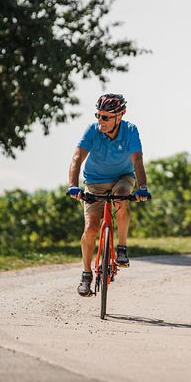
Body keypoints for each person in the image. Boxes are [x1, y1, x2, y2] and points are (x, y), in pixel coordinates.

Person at [66, 93, 150, 297]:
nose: (100, 121)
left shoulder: (130, 131)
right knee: (91, 227)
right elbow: (77, 157)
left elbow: (137, 159)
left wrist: (143, 188)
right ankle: (86, 275)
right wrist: (73, 185)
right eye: (98, 115)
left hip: (123, 177)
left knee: (122, 197)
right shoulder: (92, 131)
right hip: (94, 182)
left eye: (105, 117)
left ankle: (121, 248)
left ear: (119, 116)